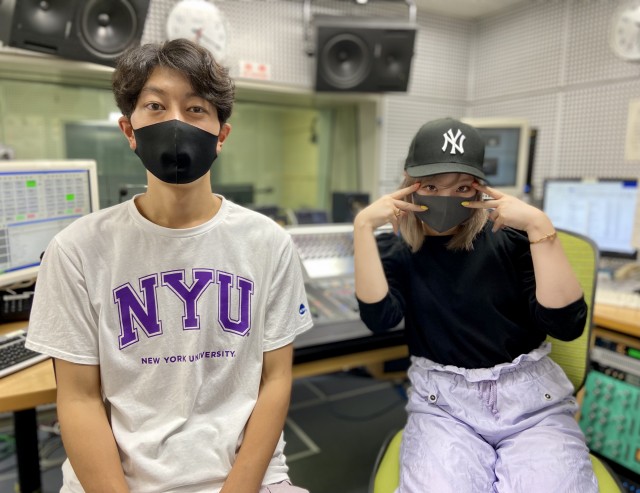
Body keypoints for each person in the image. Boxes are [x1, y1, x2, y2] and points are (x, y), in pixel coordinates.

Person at [25, 39, 313, 493]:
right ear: (129, 130)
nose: (175, 122)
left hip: (245, 477)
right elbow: (78, 398)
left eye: (196, 109)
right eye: (156, 106)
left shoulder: (269, 243)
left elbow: (276, 380)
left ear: (221, 136)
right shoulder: (76, 251)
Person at [354, 118, 598, 492]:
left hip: (531, 402)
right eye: (431, 187)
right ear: (408, 186)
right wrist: (363, 228)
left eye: (462, 188)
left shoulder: (512, 239)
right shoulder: (398, 249)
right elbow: (380, 318)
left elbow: (566, 324)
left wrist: (538, 225)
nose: (445, 199)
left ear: (480, 189)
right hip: (443, 404)